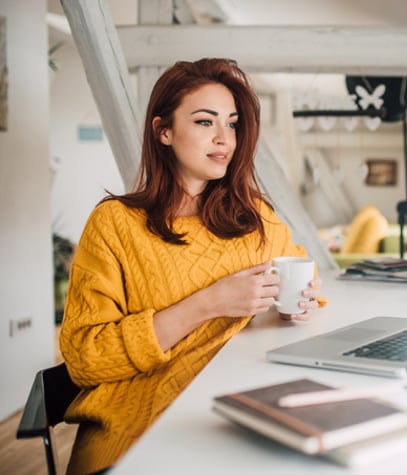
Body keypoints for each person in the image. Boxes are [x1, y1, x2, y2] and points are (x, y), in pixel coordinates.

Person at [59, 58, 322, 475]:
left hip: (237, 415)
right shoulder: (114, 224)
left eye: (232, 124)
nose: (224, 139)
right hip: (143, 431)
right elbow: (85, 358)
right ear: (163, 131)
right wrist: (208, 303)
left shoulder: (254, 217)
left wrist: (299, 301)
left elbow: (307, 280)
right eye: (205, 122)